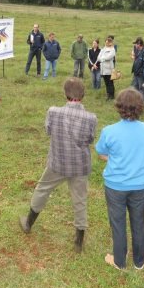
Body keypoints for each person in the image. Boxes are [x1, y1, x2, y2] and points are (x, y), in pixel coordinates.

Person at [19, 78, 97, 253]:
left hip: (57, 163)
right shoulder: (91, 118)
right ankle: (79, 240)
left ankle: (28, 222)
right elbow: (90, 139)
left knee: (42, 189)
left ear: (65, 94)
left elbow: (48, 131)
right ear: (83, 95)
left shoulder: (53, 112)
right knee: (80, 199)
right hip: (80, 166)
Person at [95, 89, 144, 270]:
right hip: (139, 184)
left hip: (115, 186)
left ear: (118, 107)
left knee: (118, 223)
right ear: (140, 107)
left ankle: (119, 261)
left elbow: (101, 153)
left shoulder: (109, 131)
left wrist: (113, 158)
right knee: (138, 222)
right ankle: (139, 260)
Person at [131, 37, 144, 102]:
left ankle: (142, 101)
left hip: (141, 74)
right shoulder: (138, 51)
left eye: (136, 44)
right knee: (135, 86)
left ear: (139, 44)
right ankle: (136, 100)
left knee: (142, 88)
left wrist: (140, 72)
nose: (135, 45)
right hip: (136, 73)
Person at [98, 37, 117, 101]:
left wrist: (102, 58)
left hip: (109, 69)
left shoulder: (112, 49)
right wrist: (103, 58)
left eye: (108, 42)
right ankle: (108, 94)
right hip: (103, 69)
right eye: (105, 42)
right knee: (106, 82)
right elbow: (98, 58)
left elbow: (109, 57)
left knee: (110, 82)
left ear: (110, 43)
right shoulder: (103, 49)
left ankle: (112, 95)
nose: (106, 43)